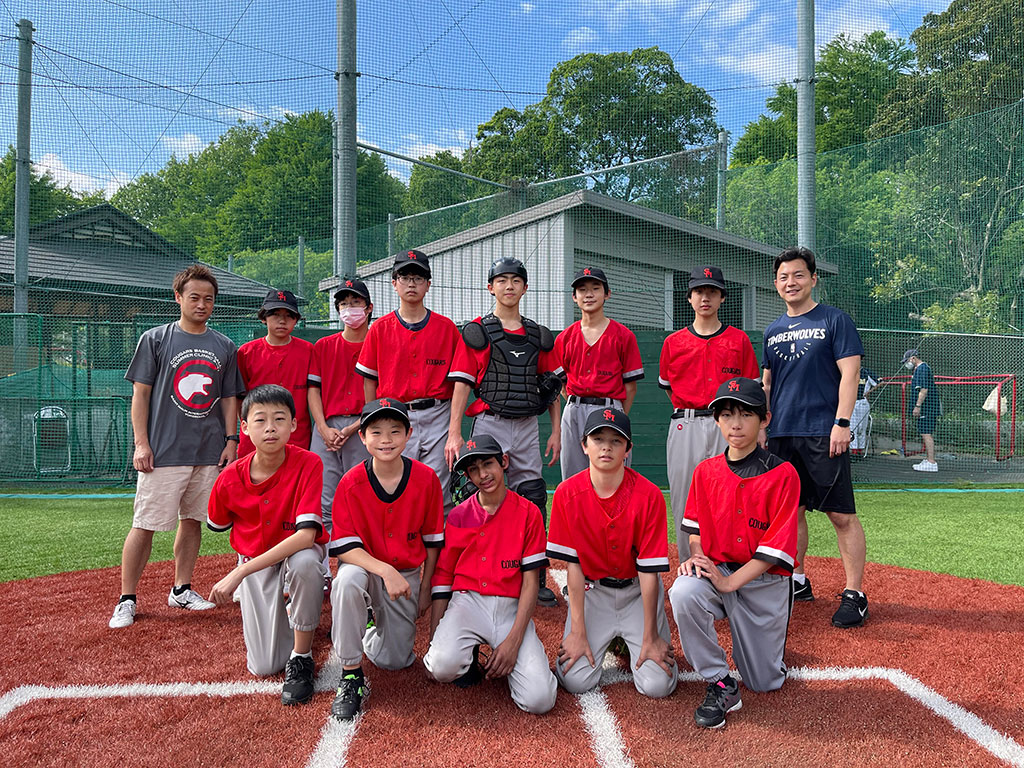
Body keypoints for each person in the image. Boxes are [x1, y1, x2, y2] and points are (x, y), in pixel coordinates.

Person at [109, 264, 244, 629]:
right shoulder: (155, 339)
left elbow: (230, 398)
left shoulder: (224, 345)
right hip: (163, 452)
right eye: (195, 297)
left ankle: (181, 589)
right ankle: (127, 598)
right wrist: (142, 444)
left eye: (209, 299)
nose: (202, 304)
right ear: (178, 297)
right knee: (145, 524)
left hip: (208, 451)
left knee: (193, 521)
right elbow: (140, 396)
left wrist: (232, 440)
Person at [668, 377, 799, 729]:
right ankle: (721, 681)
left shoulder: (783, 474)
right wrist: (698, 557)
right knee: (683, 591)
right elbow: (695, 532)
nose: (735, 424)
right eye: (726, 415)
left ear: (764, 420)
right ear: (717, 422)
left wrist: (730, 584)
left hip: (762, 583)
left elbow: (775, 551)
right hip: (718, 571)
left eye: (745, 415)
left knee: (764, 682)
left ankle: (767, 649)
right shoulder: (706, 471)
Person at [444, 257, 564, 606]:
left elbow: (551, 387)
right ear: (490, 287)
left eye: (515, 280)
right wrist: (455, 432)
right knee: (477, 492)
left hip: (527, 425)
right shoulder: (478, 332)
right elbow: (463, 385)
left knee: (533, 496)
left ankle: (535, 576)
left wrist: (556, 430)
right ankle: (471, 569)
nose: (509, 286)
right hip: (490, 423)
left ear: (525, 288)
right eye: (502, 280)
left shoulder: (539, 336)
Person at [761, 246, 868, 629]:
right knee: (792, 512)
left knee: (841, 514)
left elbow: (850, 374)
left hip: (824, 432)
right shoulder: (772, 331)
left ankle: (855, 594)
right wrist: (762, 428)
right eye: (784, 277)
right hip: (782, 434)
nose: (791, 282)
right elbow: (768, 384)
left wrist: (842, 422)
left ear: (813, 278)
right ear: (776, 284)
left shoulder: (835, 320)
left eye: (798, 275)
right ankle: (798, 580)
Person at [206, 385, 328, 706]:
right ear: (244, 428)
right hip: (256, 557)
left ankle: (301, 656)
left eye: (279, 419)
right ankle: (294, 612)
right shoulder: (229, 477)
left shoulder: (309, 463)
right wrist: (245, 565)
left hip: (295, 553)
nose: (270, 427)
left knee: (305, 563)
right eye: (260, 420)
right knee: (265, 666)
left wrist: (239, 574)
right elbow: (218, 523)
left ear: (294, 425)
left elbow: (305, 537)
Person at [546, 408, 678, 698]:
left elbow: (648, 571)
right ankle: (611, 637)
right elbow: (574, 567)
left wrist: (651, 637)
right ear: (584, 445)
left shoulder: (650, 495)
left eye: (616, 441)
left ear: (628, 449)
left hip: (635, 592)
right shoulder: (567, 494)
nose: (606, 446)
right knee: (575, 680)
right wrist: (578, 632)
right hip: (595, 592)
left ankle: (631, 637)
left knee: (657, 686)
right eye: (598, 438)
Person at [327, 398, 445, 720]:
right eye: (376, 432)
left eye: (395, 431)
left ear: (408, 435)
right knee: (346, 582)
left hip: (406, 574)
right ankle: (351, 674)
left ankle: (368, 625)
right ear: (362, 438)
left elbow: (433, 542)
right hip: (365, 568)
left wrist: (426, 588)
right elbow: (344, 547)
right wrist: (384, 570)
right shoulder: (351, 482)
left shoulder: (426, 479)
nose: (386, 440)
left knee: (395, 661)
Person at [424, 435, 557, 714]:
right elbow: (444, 576)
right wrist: (433, 639)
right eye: (474, 469)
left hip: (511, 608)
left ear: (504, 462)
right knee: (439, 666)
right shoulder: (459, 515)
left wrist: (513, 642)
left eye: (488, 464)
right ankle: (469, 655)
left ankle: (510, 659)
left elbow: (531, 583)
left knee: (540, 700)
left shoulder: (529, 513)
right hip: (468, 602)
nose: (483, 474)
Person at [659, 265, 758, 563]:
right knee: (683, 497)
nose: (705, 297)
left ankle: (729, 564)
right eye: (699, 291)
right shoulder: (673, 343)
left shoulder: (738, 340)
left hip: (728, 425)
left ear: (722, 298)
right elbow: (668, 388)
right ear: (689, 297)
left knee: (731, 495)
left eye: (712, 291)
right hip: (685, 423)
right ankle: (690, 564)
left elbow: (752, 389)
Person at [356, 250, 461, 512]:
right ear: (394, 283)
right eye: (404, 276)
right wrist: (373, 420)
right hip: (394, 414)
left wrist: (455, 430)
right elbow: (369, 379)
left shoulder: (446, 328)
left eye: (418, 277)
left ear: (428, 284)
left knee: (438, 487)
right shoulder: (379, 328)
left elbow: (460, 381)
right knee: (396, 483)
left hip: (438, 413)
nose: (411, 283)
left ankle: (437, 550)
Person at [554, 266, 644, 481]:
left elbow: (630, 386)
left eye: (596, 288)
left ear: (607, 294)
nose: (589, 294)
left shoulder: (623, 336)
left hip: (610, 406)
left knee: (613, 476)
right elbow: (560, 383)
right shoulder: (565, 338)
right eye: (583, 290)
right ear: (574, 297)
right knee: (574, 477)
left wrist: (618, 411)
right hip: (574, 409)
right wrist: (576, 404)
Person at [308, 278, 373, 531]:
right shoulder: (324, 345)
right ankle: (324, 568)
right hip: (327, 427)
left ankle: (359, 563)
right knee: (323, 498)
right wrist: (322, 427)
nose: (349, 308)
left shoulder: (376, 342)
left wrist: (354, 428)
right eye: (343, 303)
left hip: (364, 425)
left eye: (355, 302)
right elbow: (314, 390)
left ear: (368, 307)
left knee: (360, 496)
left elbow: (378, 395)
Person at [236, 289, 314, 458]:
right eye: (275, 314)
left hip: (296, 434)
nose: (282, 320)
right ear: (264, 318)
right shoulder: (246, 352)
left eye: (289, 315)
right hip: (256, 437)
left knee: (293, 481)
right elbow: (239, 397)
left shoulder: (308, 351)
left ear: (296, 320)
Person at [903, 349, 939, 472]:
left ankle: (931, 462)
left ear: (913, 358)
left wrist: (918, 406)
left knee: (926, 433)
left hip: (927, 407)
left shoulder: (923, 369)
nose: (907, 363)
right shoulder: (917, 370)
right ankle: (928, 459)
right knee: (924, 432)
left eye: (907, 360)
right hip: (925, 407)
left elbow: (924, 390)